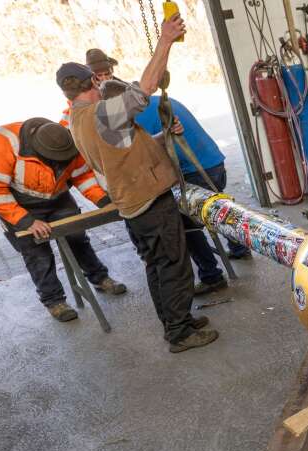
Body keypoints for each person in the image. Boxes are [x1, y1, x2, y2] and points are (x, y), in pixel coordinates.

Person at [58, 13, 218, 353]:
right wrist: (165, 41)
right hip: (149, 201)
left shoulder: (77, 120)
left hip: (133, 204)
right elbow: (144, 90)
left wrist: (162, 137)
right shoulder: (100, 113)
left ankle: (177, 322)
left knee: (158, 265)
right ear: (92, 83)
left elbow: (122, 150)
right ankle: (179, 332)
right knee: (173, 264)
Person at [86, 48, 251, 296]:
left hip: (196, 171)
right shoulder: (158, 102)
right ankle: (238, 248)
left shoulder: (135, 118)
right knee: (216, 207)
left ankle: (211, 275)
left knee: (183, 225)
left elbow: (147, 157)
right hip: (215, 163)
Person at [0, 117, 127, 321]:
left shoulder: (65, 138)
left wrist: (104, 201)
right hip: (18, 205)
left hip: (58, 198)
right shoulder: (3, 140)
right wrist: (26, 221)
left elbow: (81, 176)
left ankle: (100, 278)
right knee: (37, 254)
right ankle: (54, 301)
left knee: (77, 238)